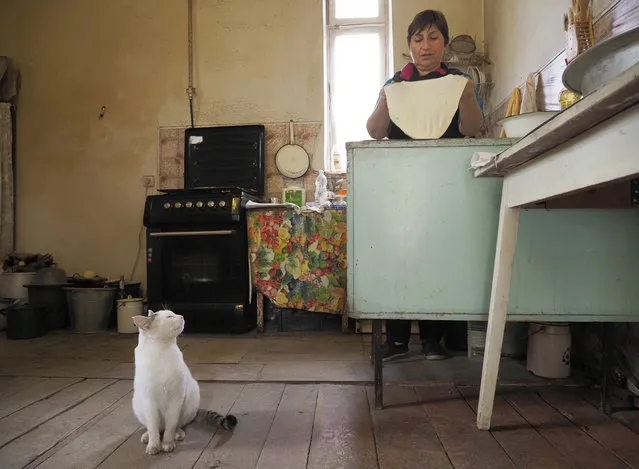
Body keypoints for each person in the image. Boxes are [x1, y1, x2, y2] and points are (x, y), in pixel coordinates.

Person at [366, 9, 484, 361]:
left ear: (445, 44)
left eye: (433, 37)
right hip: (400, 188)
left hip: (442, 187)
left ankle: (434, 340)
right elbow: (374, 131)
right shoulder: (395, 85)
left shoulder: (458, 81)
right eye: (418, 38)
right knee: (399, 259)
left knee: (436, 259)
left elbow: (472, 129)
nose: (425, 45)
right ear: (409, 45)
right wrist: (387, 99)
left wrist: (465, 97)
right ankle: (398, 340)